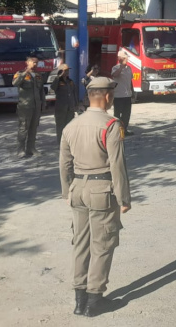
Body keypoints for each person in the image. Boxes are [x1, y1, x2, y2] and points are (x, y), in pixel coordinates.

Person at [59, 76, 131, 317]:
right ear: (108, 96)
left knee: (80, 243)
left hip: (77, 189)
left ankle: (79, 300)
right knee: (102, 244)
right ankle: (95, 301)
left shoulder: (71, 125)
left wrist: (66, 191)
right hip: (102, 191)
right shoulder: (111, 125)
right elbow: (117, 165)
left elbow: (64, 164)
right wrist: (124, 198)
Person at [13, 56, 46, 158]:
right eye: (33, 62)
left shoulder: (38, 75)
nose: (35, 64)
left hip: (36, 106)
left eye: (36, 62)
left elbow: (41, 91)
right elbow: (15, 83)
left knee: (33, 128)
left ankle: (31, 148)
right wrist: (25, 73)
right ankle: (20, 150)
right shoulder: (20, 73)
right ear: (27, 62)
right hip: (25, 106)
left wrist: (43, 104)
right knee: (23, 128)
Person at [52, 64, 78, 144]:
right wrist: (58, 76)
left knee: (69, 126)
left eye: (68, 70)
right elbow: (53, 87)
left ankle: (68, 142)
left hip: (70, 108)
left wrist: (75, 105)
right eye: (65, 70)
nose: (67, 72)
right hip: (61, 108)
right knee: (60, 126)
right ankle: (60, 142)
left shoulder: (70, 81)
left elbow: (74, 93)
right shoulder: (57, 81)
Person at [110, 51, 134, 131]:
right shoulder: (115, 68)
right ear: (120, 59)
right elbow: (114, 75)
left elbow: (130, 81)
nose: (127, 60)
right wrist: (121, 67)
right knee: (117, 114)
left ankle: (124, 129)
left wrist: (132, 92)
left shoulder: (129, 68)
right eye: (126, 58)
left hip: (127, 95)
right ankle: (117, 130)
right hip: (118, 96)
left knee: (126, 114)